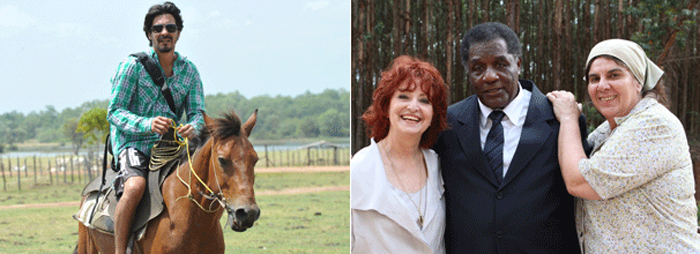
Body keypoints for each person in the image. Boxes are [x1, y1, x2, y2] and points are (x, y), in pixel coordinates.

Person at [432, 22, 588, 253]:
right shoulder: (447, 124)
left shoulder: (561, 119)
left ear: (518, 63)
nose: (490, 76)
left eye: (500, 64)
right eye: (478, 68)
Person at [546, 39, 700, 252]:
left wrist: (569, 119)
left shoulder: (654, 124)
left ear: (639, 82)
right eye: (594, 78)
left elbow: (579, 182)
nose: (602, 86)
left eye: (614, 75)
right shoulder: (609, 130)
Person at [107, 2, 205, 253]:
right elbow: (114, 111)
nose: (164, 32)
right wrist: (147, 124)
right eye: (157, 28)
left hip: (172, 146)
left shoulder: (190, 71)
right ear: (149, 34)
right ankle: (121, 250)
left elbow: (197, 114)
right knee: (136, 186)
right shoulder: (132, 67)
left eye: (170, 27)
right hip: (133, 143)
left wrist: (193, 127)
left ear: (178, 33)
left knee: (205, 181)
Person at [351, 55, 449, 253]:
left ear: (433, 114)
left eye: (424, 100)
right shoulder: (358, 169)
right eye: (403, 96)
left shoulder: (439, 165)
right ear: (386, 106)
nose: (413, 107)